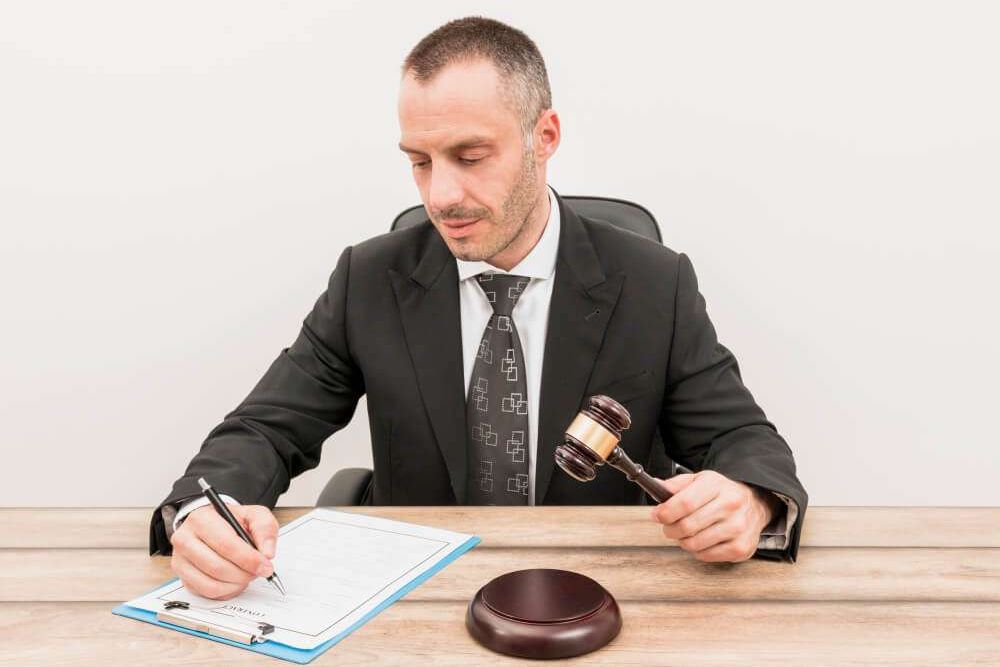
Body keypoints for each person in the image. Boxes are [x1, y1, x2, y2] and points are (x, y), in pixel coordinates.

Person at [150, 16, 808, 601]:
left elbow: (743, 441)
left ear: (543, 136)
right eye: (419, 162)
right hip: (416, 592)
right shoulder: (370, 278)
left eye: (469, 156)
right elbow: (265, 429)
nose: (441, 195)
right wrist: (203, 512)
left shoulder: (653, 283)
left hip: (605, 591)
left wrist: (749, 499)